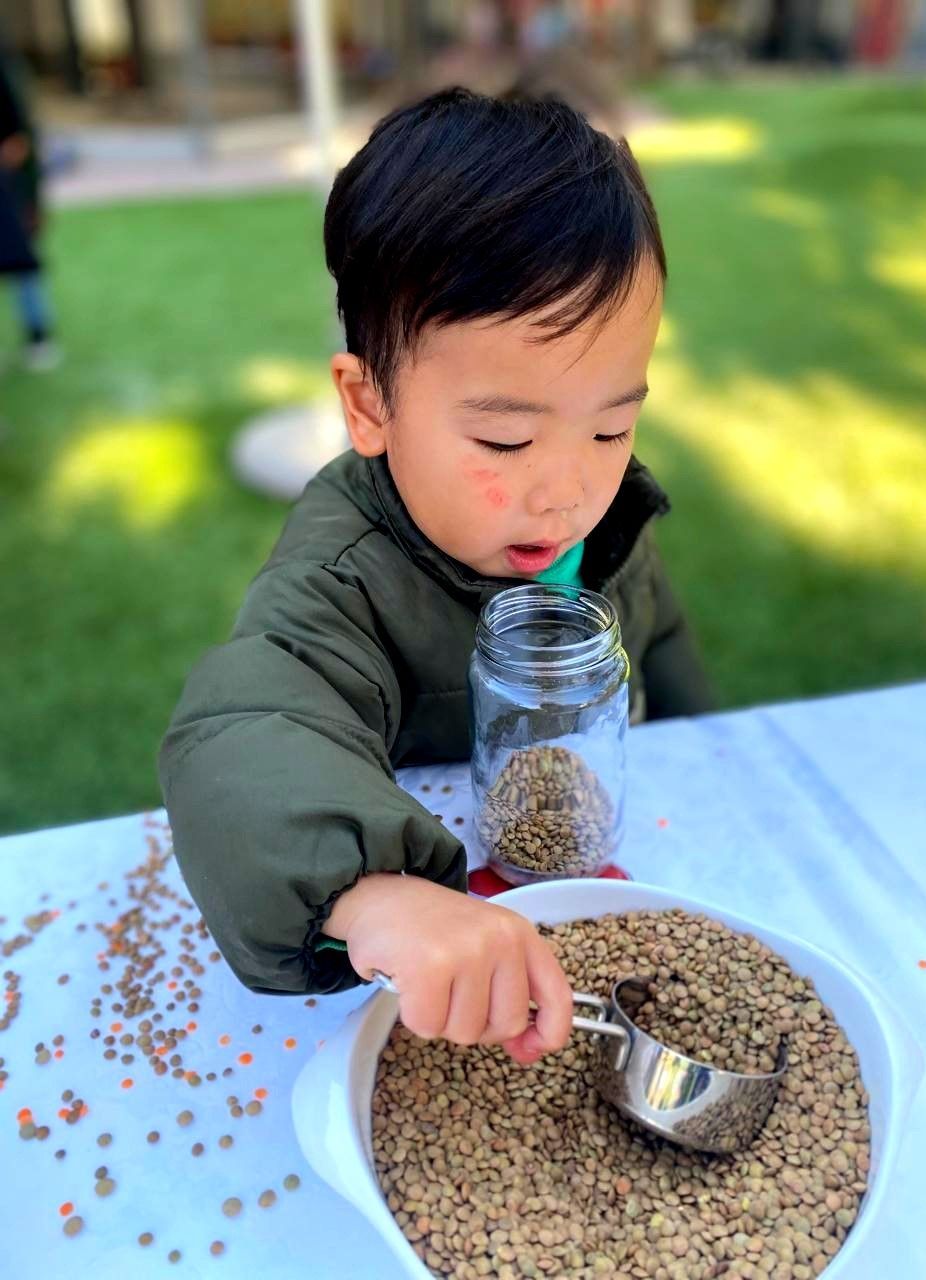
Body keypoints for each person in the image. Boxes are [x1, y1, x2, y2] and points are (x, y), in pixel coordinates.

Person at [159, 88, 712, 1066]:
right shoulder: (344, 571)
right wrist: (375, 897)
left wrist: (707, 737)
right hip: (422, 980)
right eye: (505, 436)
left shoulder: (609, 520)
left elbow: (660, 641)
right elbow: (240, 733)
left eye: (612, 425)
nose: (567, 488)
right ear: (368, 405)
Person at [0, 53, 58, 370]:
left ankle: (39, 337)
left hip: (10, 198)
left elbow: (21, 143)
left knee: (24, 267)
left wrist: (33, 200)